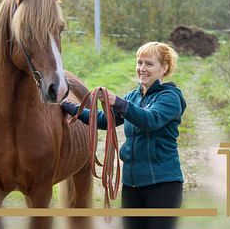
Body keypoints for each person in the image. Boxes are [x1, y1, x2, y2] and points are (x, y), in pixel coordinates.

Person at [61, 41, 186, 229]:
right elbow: (103, 120)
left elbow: (150, 120)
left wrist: (117, 102)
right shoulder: (133, 97)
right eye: (139, 63)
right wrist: (69, 107)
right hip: (132, 185)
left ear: (164, 68)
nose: (142, 68)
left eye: (149, 64)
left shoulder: (170, 97)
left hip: (162, 184)